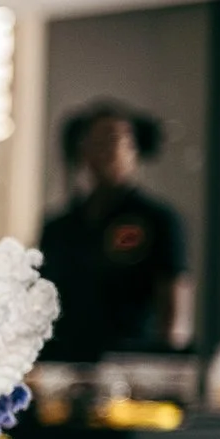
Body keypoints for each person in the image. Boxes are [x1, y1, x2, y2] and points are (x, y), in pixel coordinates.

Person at [40, 100, 191, 361]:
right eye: (95, 142)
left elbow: (174, 299)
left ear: (134, 149)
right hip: (65, 360)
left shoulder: (158, 220)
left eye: (114, 140)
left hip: (131, 360)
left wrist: (170, 361)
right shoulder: (58, 227)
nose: (105, 151)